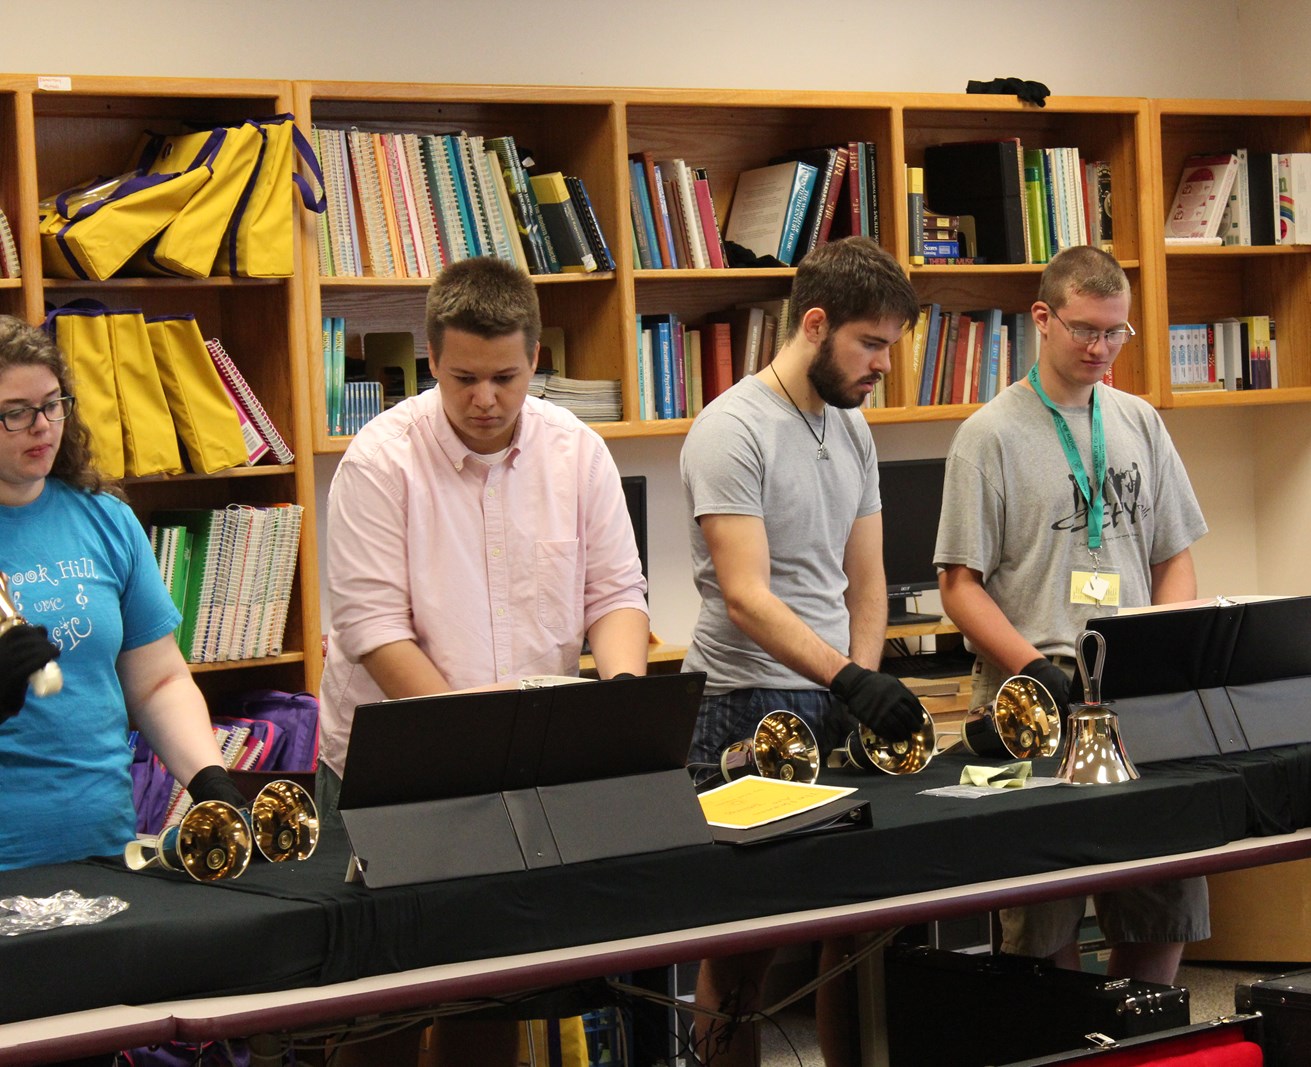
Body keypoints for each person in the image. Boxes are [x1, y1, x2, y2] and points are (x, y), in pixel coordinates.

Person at [317, 256, 649, 1066]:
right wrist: (476, 743)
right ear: (432, 357)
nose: (486, 399)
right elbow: (375, 631)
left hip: (520, 768)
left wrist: (622, 710)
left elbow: (615, 594)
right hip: (393, 771)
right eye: (464, 378)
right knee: (381, 1014)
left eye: (506, 377)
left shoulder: (577, 452)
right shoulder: (379, 461)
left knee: (492, 999)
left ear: (536, 357)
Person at [935, 245, 1210, 985]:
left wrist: (1167, 645)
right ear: (1043, 318)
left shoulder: (1139, 421)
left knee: (1162, 900)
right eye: (1085, 329)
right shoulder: (989, 435)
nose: (1100, 348)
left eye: (1115, 332)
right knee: (1041, 923)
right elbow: (959, 586)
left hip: (1132, 694)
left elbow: (1173, 555)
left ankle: (1138, 1036)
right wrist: (1033, 666)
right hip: (1035, 692)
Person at [679, 236, 923, 1066]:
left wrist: (864, 682)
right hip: (742, 704)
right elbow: (746, 595)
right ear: (814, 324)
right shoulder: (731, 428)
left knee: (856, 932)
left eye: (890, 345)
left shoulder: (851, 426)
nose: (883, 364)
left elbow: (866, 579)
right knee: (743, 950)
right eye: (870, 343)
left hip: (830, 695)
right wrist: (848, 675)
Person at [0, 316, 249, 874]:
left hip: (105, 846)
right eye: (16, 412)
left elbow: (158, 681)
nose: (41, 426)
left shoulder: (105, 519)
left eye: (52, 404)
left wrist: (210, 781)